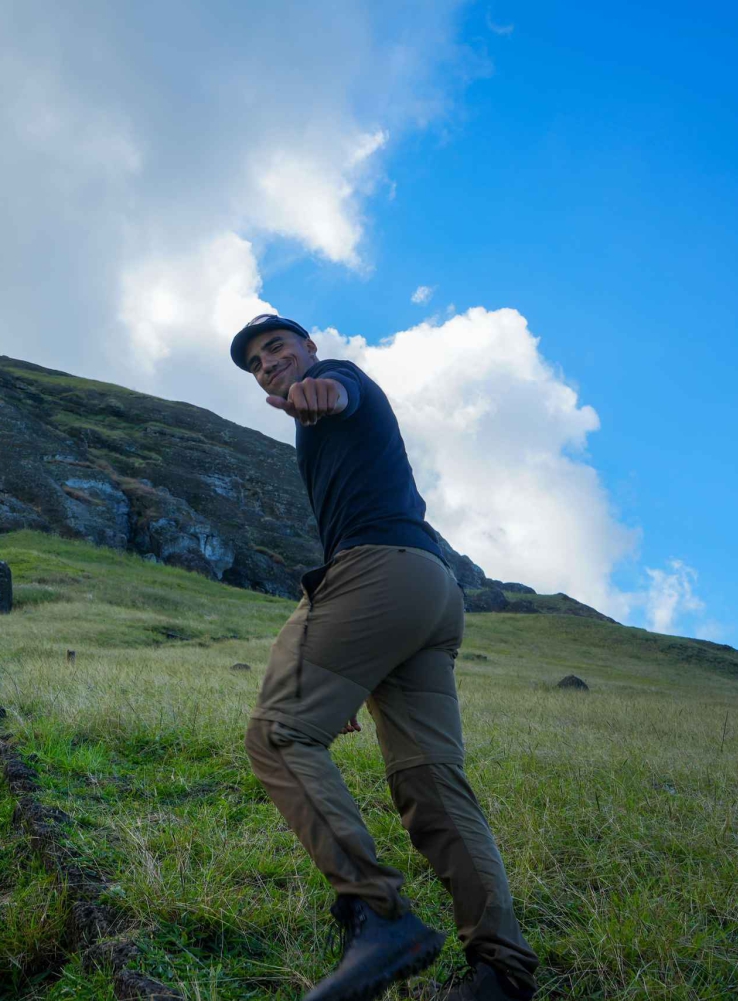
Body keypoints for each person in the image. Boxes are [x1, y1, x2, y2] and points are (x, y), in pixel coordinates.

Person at [229, 314, 539, 1001]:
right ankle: (501, 972)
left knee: (278, 734)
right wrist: (350, 671)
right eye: (255, 362)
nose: (268, 363)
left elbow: (338, 389)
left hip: (379, 573)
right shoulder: (323, 421)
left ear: (309, 347)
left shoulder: (336, 379)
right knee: (430, 780)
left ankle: (379, 916)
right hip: (431, 589)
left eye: (276, 347)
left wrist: (318, 389)